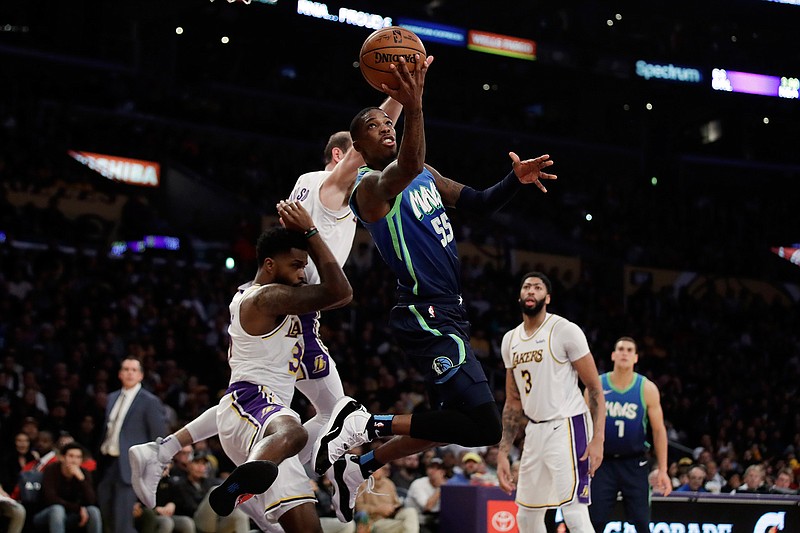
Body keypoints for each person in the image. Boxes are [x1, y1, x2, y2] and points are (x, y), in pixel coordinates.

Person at [129, 97, 403, 525]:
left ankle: (166, 449)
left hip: (294, 307)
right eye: (357, 149)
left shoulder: (333, 198)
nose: (368, 157)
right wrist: (400, 98)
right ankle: (338, 470)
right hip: (293, 305)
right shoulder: (325, 185)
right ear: (340, 154)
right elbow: (363, 148)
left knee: (261, 391)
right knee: (340, 413)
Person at [312, 53, 557, 521]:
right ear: (358, 146)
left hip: (449, 310)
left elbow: (481, 204)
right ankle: (364, 424)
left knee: (454, 423)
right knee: (483, 423)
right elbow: (405, 164)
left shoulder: (426, 173)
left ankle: (363, 461)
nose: (384, 124)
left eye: (388, 120)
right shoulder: (369, 188)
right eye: (373, 123)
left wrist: (515, 179)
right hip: (425, 312)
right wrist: (415, 106)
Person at [205, 201, 352, 530]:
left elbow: (341, 297)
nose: (302, 273)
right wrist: (312, 232)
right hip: (249, 403)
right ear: (269, 265)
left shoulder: (269, 294)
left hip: (264, 426)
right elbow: (341, 290)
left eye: (304, 266)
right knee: (295, 429)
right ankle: (244, 481)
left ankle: (249, 481)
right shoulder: (265, 298)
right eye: (296, 265)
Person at [496, 272, 605, 533]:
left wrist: (598, 439)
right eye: (526, 287)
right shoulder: (510, 340)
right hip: (534, 430)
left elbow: (595, 389)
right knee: (526, 517)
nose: (530, 291)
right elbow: (513, 402)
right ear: (519, 296)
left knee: (574, 514)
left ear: (548, 297)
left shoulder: (564, 330)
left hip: (568, 425)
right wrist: (502, 452)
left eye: (537, 287)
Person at [588, 336, 672, 533]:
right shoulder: (597, 385)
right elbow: (583, 425)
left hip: (634, 463)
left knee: (642, 523)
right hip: (602, 463)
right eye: (621, 349)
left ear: (635, 358)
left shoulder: (647, 388)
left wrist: (663, 469)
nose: (624, 353)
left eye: (629, 350)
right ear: (613, 355)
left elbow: (659, 431)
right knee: (594, 522)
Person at [98, 357, 167, 533]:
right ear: (120, 374)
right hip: (108, 462)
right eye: (126, 369)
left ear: (141, 375)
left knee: (123, 522)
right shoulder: (112, 398)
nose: (130, 373)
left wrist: (161, 463)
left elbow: (158, 436)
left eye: (134, 370)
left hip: (130, 466)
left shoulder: (149, 401)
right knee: (106, 517)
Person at [34, 442, 102, 533]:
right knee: (57, 509)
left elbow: (91, 500)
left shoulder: (84, 473)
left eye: (78, 457)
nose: (74, 460)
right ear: (62, 458)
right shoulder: (51, 470)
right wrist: (78, 508)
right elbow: (51, 499)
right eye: (71, 456)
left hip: (73, 515)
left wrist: (82, 480)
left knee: (94, 511)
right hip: (47, 513)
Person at [405, 457, 447, 533]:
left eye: (438, 468)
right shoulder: (418, 484)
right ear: (427, 470)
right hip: (416, 523)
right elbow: (427, 507)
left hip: (435, 521)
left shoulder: (447, 485)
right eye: (431, 467)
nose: (434, 471)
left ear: (443, 472)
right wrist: (440, 488)